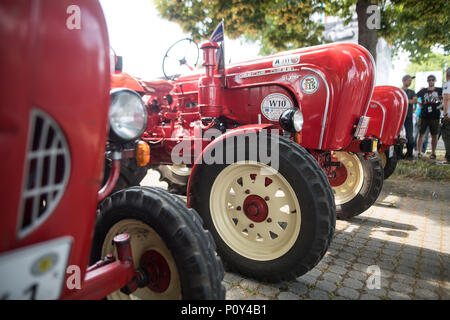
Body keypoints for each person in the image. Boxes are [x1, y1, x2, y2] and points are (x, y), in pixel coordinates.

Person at [416, 74, 443, 160]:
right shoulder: (423, 91)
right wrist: (420, 104)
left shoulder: (440, 90)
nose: (431, 81)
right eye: (429, 80)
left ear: (435, 81)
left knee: (434, 135)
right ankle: (419, 152)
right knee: (421, 134)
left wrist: (441, 105)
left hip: (435, 116)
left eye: (432, 80)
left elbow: (446, 97)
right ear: (427, 81)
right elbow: (415, 97)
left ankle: (433, 153)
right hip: (424, 116)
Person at [401, 75, 417, 159]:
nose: (410, 82)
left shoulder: (412, 91)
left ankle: (409, 153)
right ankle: (398, 153)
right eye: (408, 80)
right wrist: (408, 100)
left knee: (409, 135)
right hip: (399, 117)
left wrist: (404, 100)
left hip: (409, 116)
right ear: (404, 81)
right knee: (398, 135)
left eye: (411, 80)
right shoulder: (399, 91)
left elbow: (415, 100)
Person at [442, 67, 450, 163]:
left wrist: (445, 113)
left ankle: (448, 158)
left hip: (449, 115)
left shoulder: (447, 85)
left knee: (447, 136)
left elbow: (446, 98)